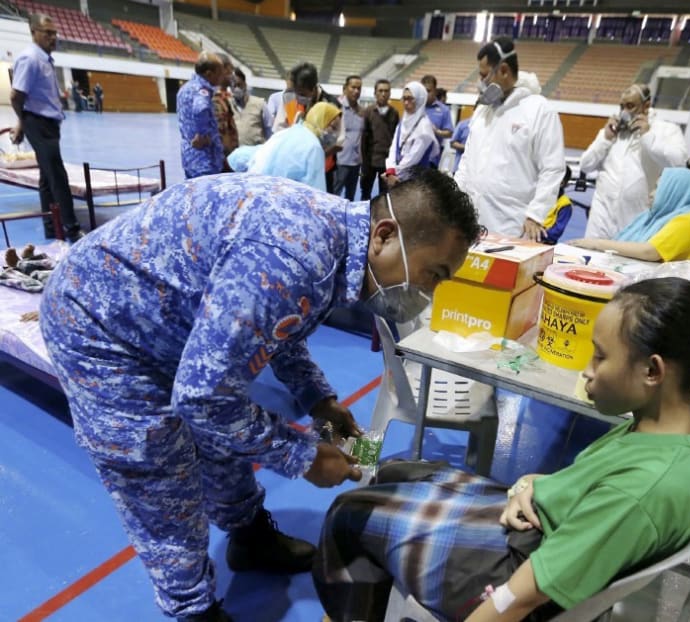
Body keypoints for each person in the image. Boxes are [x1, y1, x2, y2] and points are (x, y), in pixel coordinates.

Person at [39, 169, 480, 622]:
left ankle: (249, 537)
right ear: (384, 236)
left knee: (224, 431)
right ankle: (194, 611)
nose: (429, 292)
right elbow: (202, 396)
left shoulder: (333, 246)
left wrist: (318, 400)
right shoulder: (293, 257)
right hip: (99, 326)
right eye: (433, 274)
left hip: (163, 320)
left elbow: (279, 327)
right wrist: (304, 457)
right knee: (159, 474)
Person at [313, 277, 690, 622]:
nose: (587, 371)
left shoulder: (642, 491)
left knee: (347, 515)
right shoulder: (661, 436)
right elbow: (588, 485)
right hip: (537, 530)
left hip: (515, 567)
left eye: (600, 356)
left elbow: (519, 599)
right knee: (397, 470)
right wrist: (532, 485)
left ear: (652, 371)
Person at [455, 37, 566, 242]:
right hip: (471, 221)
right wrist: (454, 200)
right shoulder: (483, 112)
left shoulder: (539, 110)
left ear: (504, 70)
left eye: (484, 75)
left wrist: (535, 215)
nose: (481, 82)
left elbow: (553, 168)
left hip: (512, 225)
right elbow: (467, 161)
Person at [9, 13, 84, 242]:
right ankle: (72, 228)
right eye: (48, 33)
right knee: (57, 176)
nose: (53, 37)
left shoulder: (45, 59)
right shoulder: (30, 59)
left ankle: (51, 227)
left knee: (46, 177)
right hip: (39, 124)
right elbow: (16, 96)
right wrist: (23, 123)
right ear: (34, 33)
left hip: (48, 124)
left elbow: (30, 97)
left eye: (55, 33)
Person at [580, 83, 687, 239]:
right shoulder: (611, 131)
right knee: (590, 253)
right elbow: (585, 165)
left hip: (635, 218)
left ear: (646, 106)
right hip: (601, 215)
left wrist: (648, 136)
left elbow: (679, 162)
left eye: (630, 106)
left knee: (625, 254)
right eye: (621, 106)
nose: (624, 112)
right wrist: (605, 139)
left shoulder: (665, 130)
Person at [571, 167, 690, 262]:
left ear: (674, 192)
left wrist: (597, 243)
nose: (651, 194)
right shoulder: (651, 217)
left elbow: (649, 251)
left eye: (658, 188)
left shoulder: (689, 221)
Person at [230, 102, 342, 193]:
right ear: (320, 121)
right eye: (333, 127)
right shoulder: (314, 148)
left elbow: (240, 157)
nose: (335, 135)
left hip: (255, 190)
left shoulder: (285, 133)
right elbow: (316, 195)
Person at [275, 63, 341, 192]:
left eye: (301, 93)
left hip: (321, 172)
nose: (297, 97)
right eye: (295, 92)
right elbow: (279, 129)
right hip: (292, 170)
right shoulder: (289, 98)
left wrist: (315, 155)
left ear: (313, 88)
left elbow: (338, 142)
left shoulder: (331, 105)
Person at [176, 52, 225, 179]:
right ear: (209, 74)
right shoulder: (202, 90)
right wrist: (202, 135)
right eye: (220, 73)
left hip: (189, 155)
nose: (222, 77)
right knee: (207, 189)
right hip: (204, 157)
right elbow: (201, 109)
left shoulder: (185, 88)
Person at [384, 81, 438, 187]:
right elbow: (393, 149)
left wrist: (393, 173)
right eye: (404, 98)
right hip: (396, 177)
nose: (406, 102)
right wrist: (390, 170)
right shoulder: (403, 123)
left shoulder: (424, 128)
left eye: (410, 98)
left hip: (415, 182)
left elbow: (412, 159)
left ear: (419, 99)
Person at [360, 79, 399, 200]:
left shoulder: (394, 113)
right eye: (380, 91)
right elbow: (364, 139)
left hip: (386, 162)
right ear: (375, 93)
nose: (383, 94)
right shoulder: (368, 112)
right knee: (365, 194)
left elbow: (396, 139)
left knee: (385, 196)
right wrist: (364, 163)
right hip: (370, 161)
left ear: (390, 93)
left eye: (386, 91)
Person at [333, 75, 364, 200]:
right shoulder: (336, 108)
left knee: (350, 198)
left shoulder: (362, 112)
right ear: (345, 88)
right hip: (340, 161)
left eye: (359, 88)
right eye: (353, 87)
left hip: (355, 162)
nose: (356, 91)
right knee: (334, 196)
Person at [231, 68, 272, 147]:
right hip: (234, 153)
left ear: (245, 84)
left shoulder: (260, 104)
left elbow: (269, 131)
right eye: (233, 86)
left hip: (255, 152)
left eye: (239, 85)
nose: (236, 89)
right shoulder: (227, 105)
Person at [212, 54, 238, 169]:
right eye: (230, 70)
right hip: (222, 161)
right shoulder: (215, 99)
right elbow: (222, 134)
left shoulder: (223, 97)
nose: (232, 75)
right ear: (223, 70)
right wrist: (229, 163)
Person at [421, 75, 453, 168]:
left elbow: (449, 133)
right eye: (423, 91)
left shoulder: (444, 110)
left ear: (435, 91)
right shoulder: (415, 107)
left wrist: (437, 131)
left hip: (431, 159)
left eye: (428, 91)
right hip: (412, 158)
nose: (425, 94)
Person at [541, 165, 573, 245]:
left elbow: (556, 232)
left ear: (561, 183)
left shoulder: (565, 204)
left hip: (545, 242)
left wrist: (538, 232)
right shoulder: (539, 195)